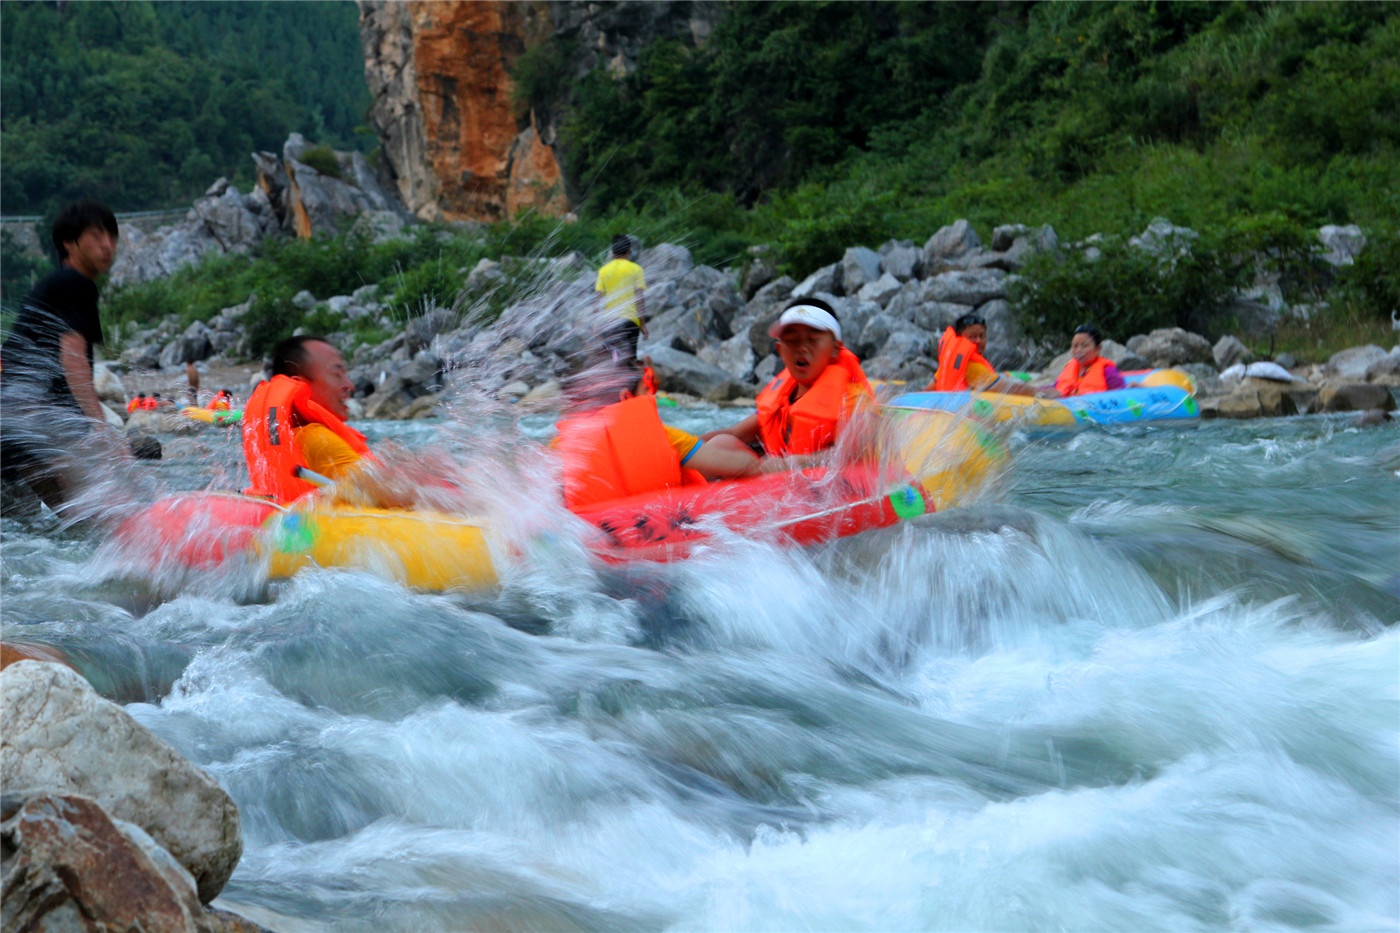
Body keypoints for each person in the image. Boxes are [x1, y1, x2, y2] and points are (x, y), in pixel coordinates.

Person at [0, 201, 121, 509]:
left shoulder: (57, 286)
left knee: (39, 533)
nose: (107, 244)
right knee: (93, 515)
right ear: (70, 243)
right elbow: (73, 357)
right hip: (32, 422)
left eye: (112, 236)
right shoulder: (74, 282)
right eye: (96, 235)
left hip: (14, 421)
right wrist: (102, 427)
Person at [554, 361, 763, 510]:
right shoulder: (665, 437)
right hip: (666, 533)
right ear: (626, 397)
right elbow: (744, 467)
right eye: (644, 392)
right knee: (725, 443)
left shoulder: (560, 446)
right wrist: (772, 462)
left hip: (597, 541)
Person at [703, 298, 873, 459]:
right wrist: (686, 446)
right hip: (777, 471)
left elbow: (854, 455)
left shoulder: (852, 400)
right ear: (780, 350)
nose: (802, 349)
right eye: (792, 340)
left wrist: (793, 464)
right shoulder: (781, 399)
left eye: (813, 340)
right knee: (722, 443)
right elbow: (735, 433)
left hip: (813, 480)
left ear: (835, 349)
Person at [242, 335, 373, 503]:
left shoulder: (291, 439)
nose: (350, 386)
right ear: (301, 385)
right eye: (337, 374)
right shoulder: (318, 440)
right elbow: (388, 497)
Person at [924, 312, 1036, 397]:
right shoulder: (972, 367)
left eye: (981, 336)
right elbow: (1007, 389)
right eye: (972, 337)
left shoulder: (950, 365)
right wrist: (1040, 393)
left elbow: (928, 390)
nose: (978, 341)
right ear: (960, 339)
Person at [595, 234, 647, 363]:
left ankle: (614, 377)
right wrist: (643, 324)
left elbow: (597, 299)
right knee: (630, 359)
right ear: (629, 251)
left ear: (612, 251)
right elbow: (639, 298)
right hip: (631, 322)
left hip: (610, 322)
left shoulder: (604, 270)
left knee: (614, 358)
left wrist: (596, 323)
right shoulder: (636, 269)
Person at [1049, 323, 1125, 397]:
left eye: (1085, 346)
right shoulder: (1069, 368)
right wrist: (1038, 390)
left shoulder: (1107, 371)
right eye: (1075, 346)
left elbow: (1120, 395)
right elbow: (1056, 388)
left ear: (1098, 348)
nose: (1078, 350)